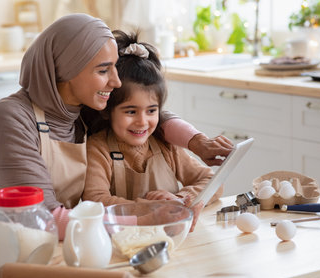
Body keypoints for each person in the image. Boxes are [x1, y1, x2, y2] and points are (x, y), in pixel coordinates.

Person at [0, 14, 232, 239]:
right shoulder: (10, 118)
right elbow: (41, 220)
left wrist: (197, 141)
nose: (117, 82)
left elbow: (149, 114)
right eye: (103, 70)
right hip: (17, 247)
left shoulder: (81, 109)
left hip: (81, 240)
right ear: (67, 69)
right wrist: (144, 217)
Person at [82, 31, 222, 230]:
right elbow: (96, 201)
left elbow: (212, 180)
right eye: (131, 111)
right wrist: (152, 209)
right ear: (108, 111)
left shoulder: (166, 146)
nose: (142, 122)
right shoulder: (98, 148)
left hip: (174, 239)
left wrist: (179, 200)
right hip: (123, 241)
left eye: (151, 111)